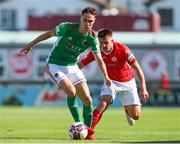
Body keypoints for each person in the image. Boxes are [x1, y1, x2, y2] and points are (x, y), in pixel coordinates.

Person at [20, 7, 111, 140]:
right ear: (80, 19)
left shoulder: (92, 38)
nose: (87, 23)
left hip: (72, 66)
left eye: (90, 21)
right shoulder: (67, 27)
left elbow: (99, 60)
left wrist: (106, 76)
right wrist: (31, 44)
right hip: (55, 64)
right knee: (71, 91)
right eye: (85, 20)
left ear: (94, 21)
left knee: (87, 99)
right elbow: (48, 34)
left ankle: (87, 132)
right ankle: (79, 125)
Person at [78, 28, 149, 132]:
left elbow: (137, 68)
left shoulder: (123, 50)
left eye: (106, 42)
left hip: (128, 82)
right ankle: (89, 131)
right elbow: (81, 64)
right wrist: (68, 74)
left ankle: (128, 111)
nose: (104, 46)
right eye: (101, 43)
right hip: (111, 81)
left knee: (136, 116)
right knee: (103, 103)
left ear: (112, 40)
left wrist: (143, 88)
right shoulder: (97, 51)